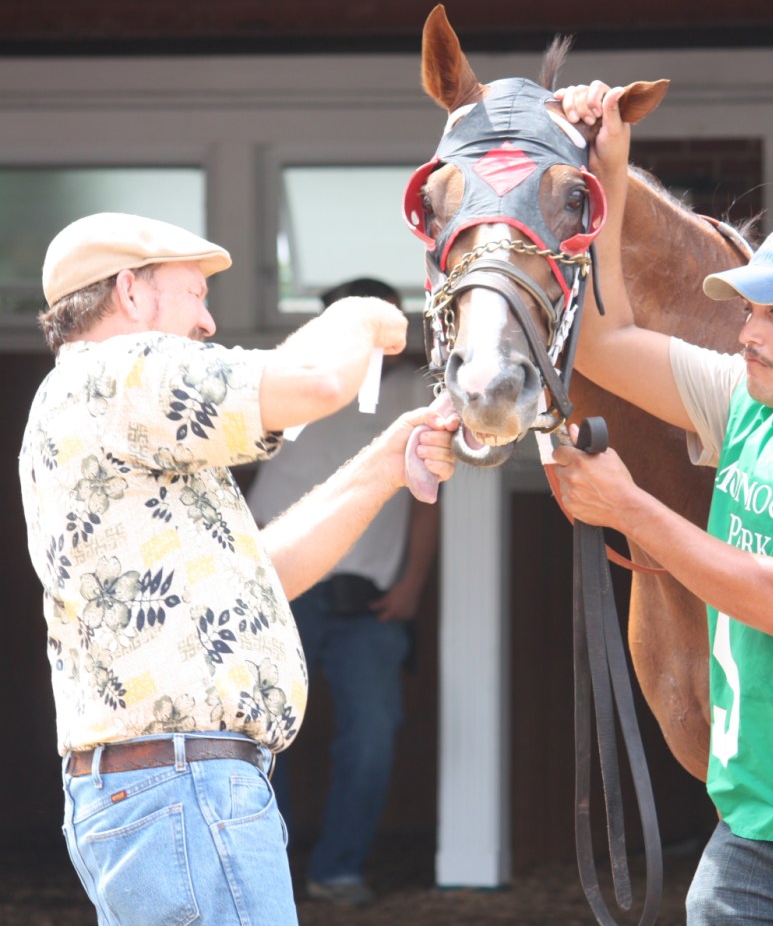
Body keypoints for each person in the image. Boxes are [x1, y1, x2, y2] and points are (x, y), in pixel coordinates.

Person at [18, 212, 458, 926]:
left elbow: (263, 579)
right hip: (180, 786)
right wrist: (360, 312)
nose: (208, 321)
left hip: (174, 788)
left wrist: (385, 462)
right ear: (130, 293)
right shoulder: (117, 373)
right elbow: (315, 381)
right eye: (194, 294)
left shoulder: (113, 412)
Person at [550, 82, 773, 925]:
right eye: (748, 308)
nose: (745, 332)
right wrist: (608, 172)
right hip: (757, 822)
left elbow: (772, 597)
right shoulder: (745, 400)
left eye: (770, 315)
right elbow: (606, 343)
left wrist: (631, 509)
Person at [247, 277, 436, 907]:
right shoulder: (290, 385)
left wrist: (411, 582)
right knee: (260, 735)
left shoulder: (412, 391)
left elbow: (431, 499)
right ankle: (267, 872)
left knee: (373, 732)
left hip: (369, 600)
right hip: (274, 588)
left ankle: (338, 869)